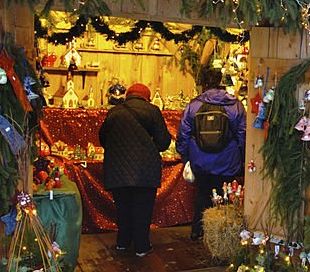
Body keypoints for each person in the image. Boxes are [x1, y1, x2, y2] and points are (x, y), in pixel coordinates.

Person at [98, 83, 172, 256]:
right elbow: (164, 142)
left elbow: (103, 139)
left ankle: (123, 242)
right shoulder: (152, 111)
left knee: (123, 207)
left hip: (117, 169)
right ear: (146, 96)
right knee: (142, 208)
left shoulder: (114, 111)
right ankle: (141, 246)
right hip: (145, 169)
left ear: (128, 95)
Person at [178, 67, 246, 241]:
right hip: (227, 159)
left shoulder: (194, 105)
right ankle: (224, 236)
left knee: (203, 193)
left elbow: (184, 134)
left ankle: (198, 230)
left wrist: (185, 156)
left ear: (204, 84)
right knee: (226, 195)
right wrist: (242, 156)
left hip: (200, 159)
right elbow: (243, 134)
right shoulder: (235, 105)